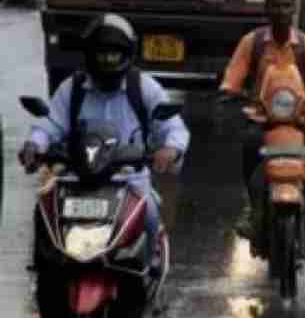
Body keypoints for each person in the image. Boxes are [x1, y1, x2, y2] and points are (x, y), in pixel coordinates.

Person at [17, 13, 189, 263]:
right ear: (89, 55)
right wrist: (35, 144)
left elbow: (173, 127)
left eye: (114, 54)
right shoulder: (72, 88)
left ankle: (148, 268)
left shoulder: (144, 87)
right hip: (76, 177)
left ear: (127, 54)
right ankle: (45, 270)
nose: (108, 60)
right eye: (101, 54)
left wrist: (171, 149)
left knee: (150, 213)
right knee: (43, 212)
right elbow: (49, 123)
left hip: (129, 180)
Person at [219, 0, 305, 247]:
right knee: (250, 146)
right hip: (262, 119)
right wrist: (231, 90)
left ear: (295, 10)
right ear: (267, 9)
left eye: (287, 6)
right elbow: (232, 77)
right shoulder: (251, 43)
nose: (281, 11)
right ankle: (253, 209)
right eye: (276, 6)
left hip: (298, 121)